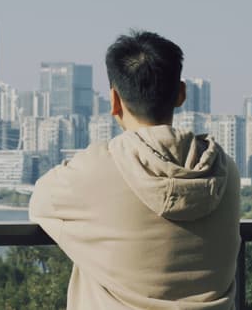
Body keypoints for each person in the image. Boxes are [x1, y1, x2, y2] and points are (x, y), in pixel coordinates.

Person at [29, 31, 240, 309]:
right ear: (181, 93)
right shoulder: (225, 172)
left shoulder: (94, 171)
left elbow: (39, 203)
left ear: (114, 100)